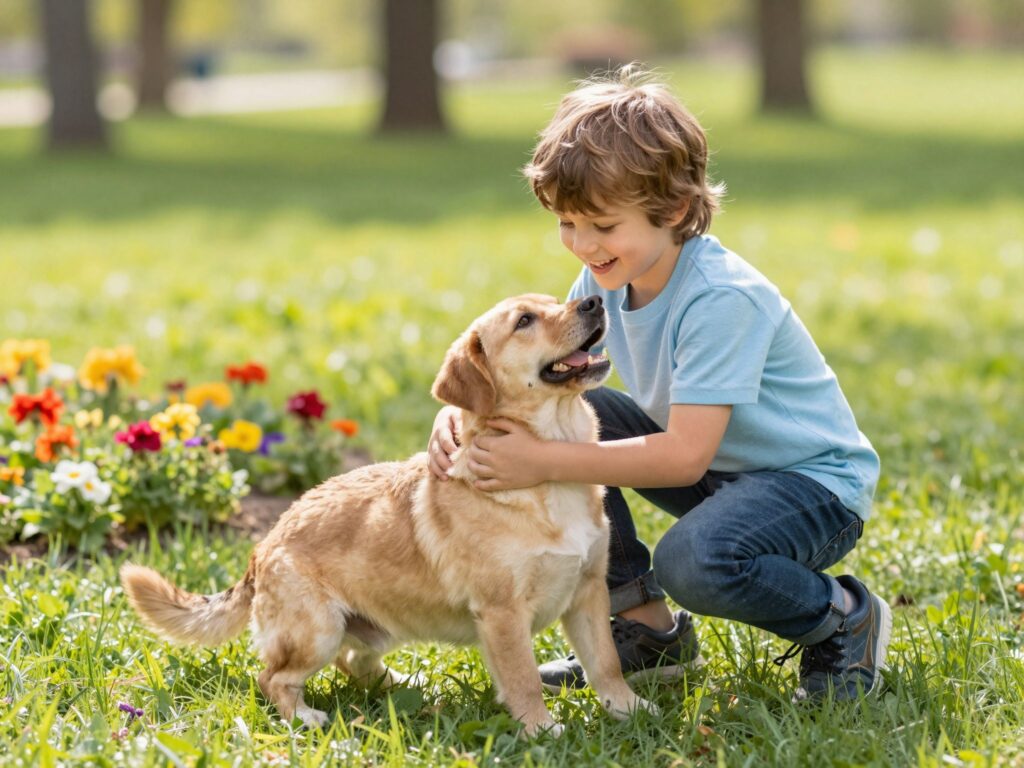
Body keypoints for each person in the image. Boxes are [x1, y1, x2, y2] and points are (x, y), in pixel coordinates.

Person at [427, 65, 890, 702]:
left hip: (811, 488)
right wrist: (465, 412)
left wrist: (540, 460)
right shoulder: (607, 277)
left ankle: (842, 617)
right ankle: (646, 629)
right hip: (722, 474)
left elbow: (683, 456)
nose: (581, 244)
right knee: (573, 407)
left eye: (602, 225)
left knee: (693, 561)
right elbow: (540, 377)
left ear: (672, 209)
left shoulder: (721, 297)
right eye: (567, 222)